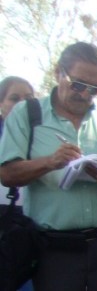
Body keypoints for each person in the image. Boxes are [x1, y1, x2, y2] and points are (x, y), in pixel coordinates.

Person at [0, 42, 97, 290]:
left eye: (94, 88)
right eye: (78, 85)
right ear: (58, 73)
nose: (85, 94)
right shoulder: (27, 114)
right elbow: (7, 174)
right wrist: (49, 162)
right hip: (53, 249)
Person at [0, 76, 34, 211]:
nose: (22, 104)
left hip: (31, 215)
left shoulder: (43, 133)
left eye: (28, 98)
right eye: (14, 99)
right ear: (1, 103)